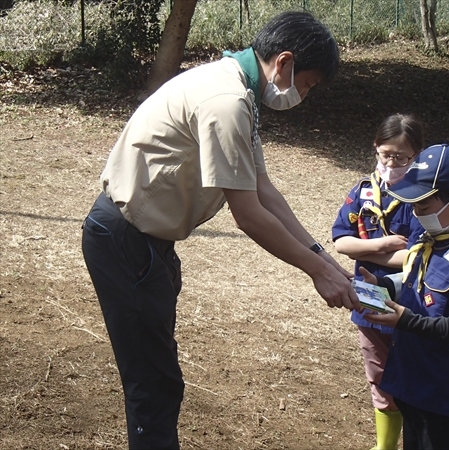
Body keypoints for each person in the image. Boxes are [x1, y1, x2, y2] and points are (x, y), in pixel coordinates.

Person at [81, 11, 360, 450]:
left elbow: (264, 190)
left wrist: (323, 258)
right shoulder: (226, 100)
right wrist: (317, 272)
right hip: (126, 240)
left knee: (158, 381)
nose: (303, 94)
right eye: (307, 84)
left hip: (146, 243)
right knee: (153, 387)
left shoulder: (238, 90)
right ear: (284, 63)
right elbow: (248, 214)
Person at [361, 144, 449, 450]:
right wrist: (381, 286)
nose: (416, 214)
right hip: (412, 379)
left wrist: (407, 320)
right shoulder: (436, 238)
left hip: (442, 391)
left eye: (423, 208)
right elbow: (417, 282)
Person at [331, 114, 425, 450]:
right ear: (375, 149)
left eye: (401, 157)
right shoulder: (363, 190)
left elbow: (416, 256)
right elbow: (341, 241)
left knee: (411, 375)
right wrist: (380, 246)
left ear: (417, 155)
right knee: (378, 375)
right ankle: (384, 445)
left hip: (409, 302)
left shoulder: (423, 199)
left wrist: (366, 253)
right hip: (367, 298)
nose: (392, 162)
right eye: (386, 154)